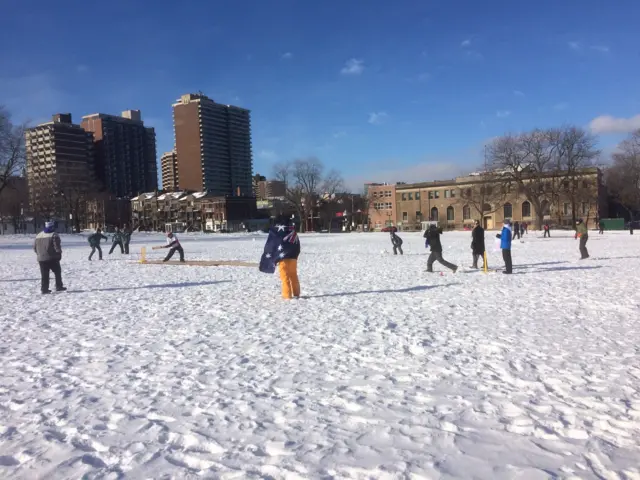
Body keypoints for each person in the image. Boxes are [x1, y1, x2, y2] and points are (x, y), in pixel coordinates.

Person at [259, 216, 301, 299]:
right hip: (293, 256)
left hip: (283, 257)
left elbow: (273, 243)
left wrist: (273, 255)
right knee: (293, 274)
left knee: (285, 276)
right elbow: (297, 244)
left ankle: (287, 294)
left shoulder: (278, 232)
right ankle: (296, 293)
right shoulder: (292, 231)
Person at [34, 221, 66, 294]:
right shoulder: (54, 235)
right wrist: (59, 254)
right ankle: (59, 286)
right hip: (52, 258)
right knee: (57, 272)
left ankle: (44, 289)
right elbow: (56, 246)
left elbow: (34, 247)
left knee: (44, 274)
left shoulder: (38, 235)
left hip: (41, 258)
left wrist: (39, 254)